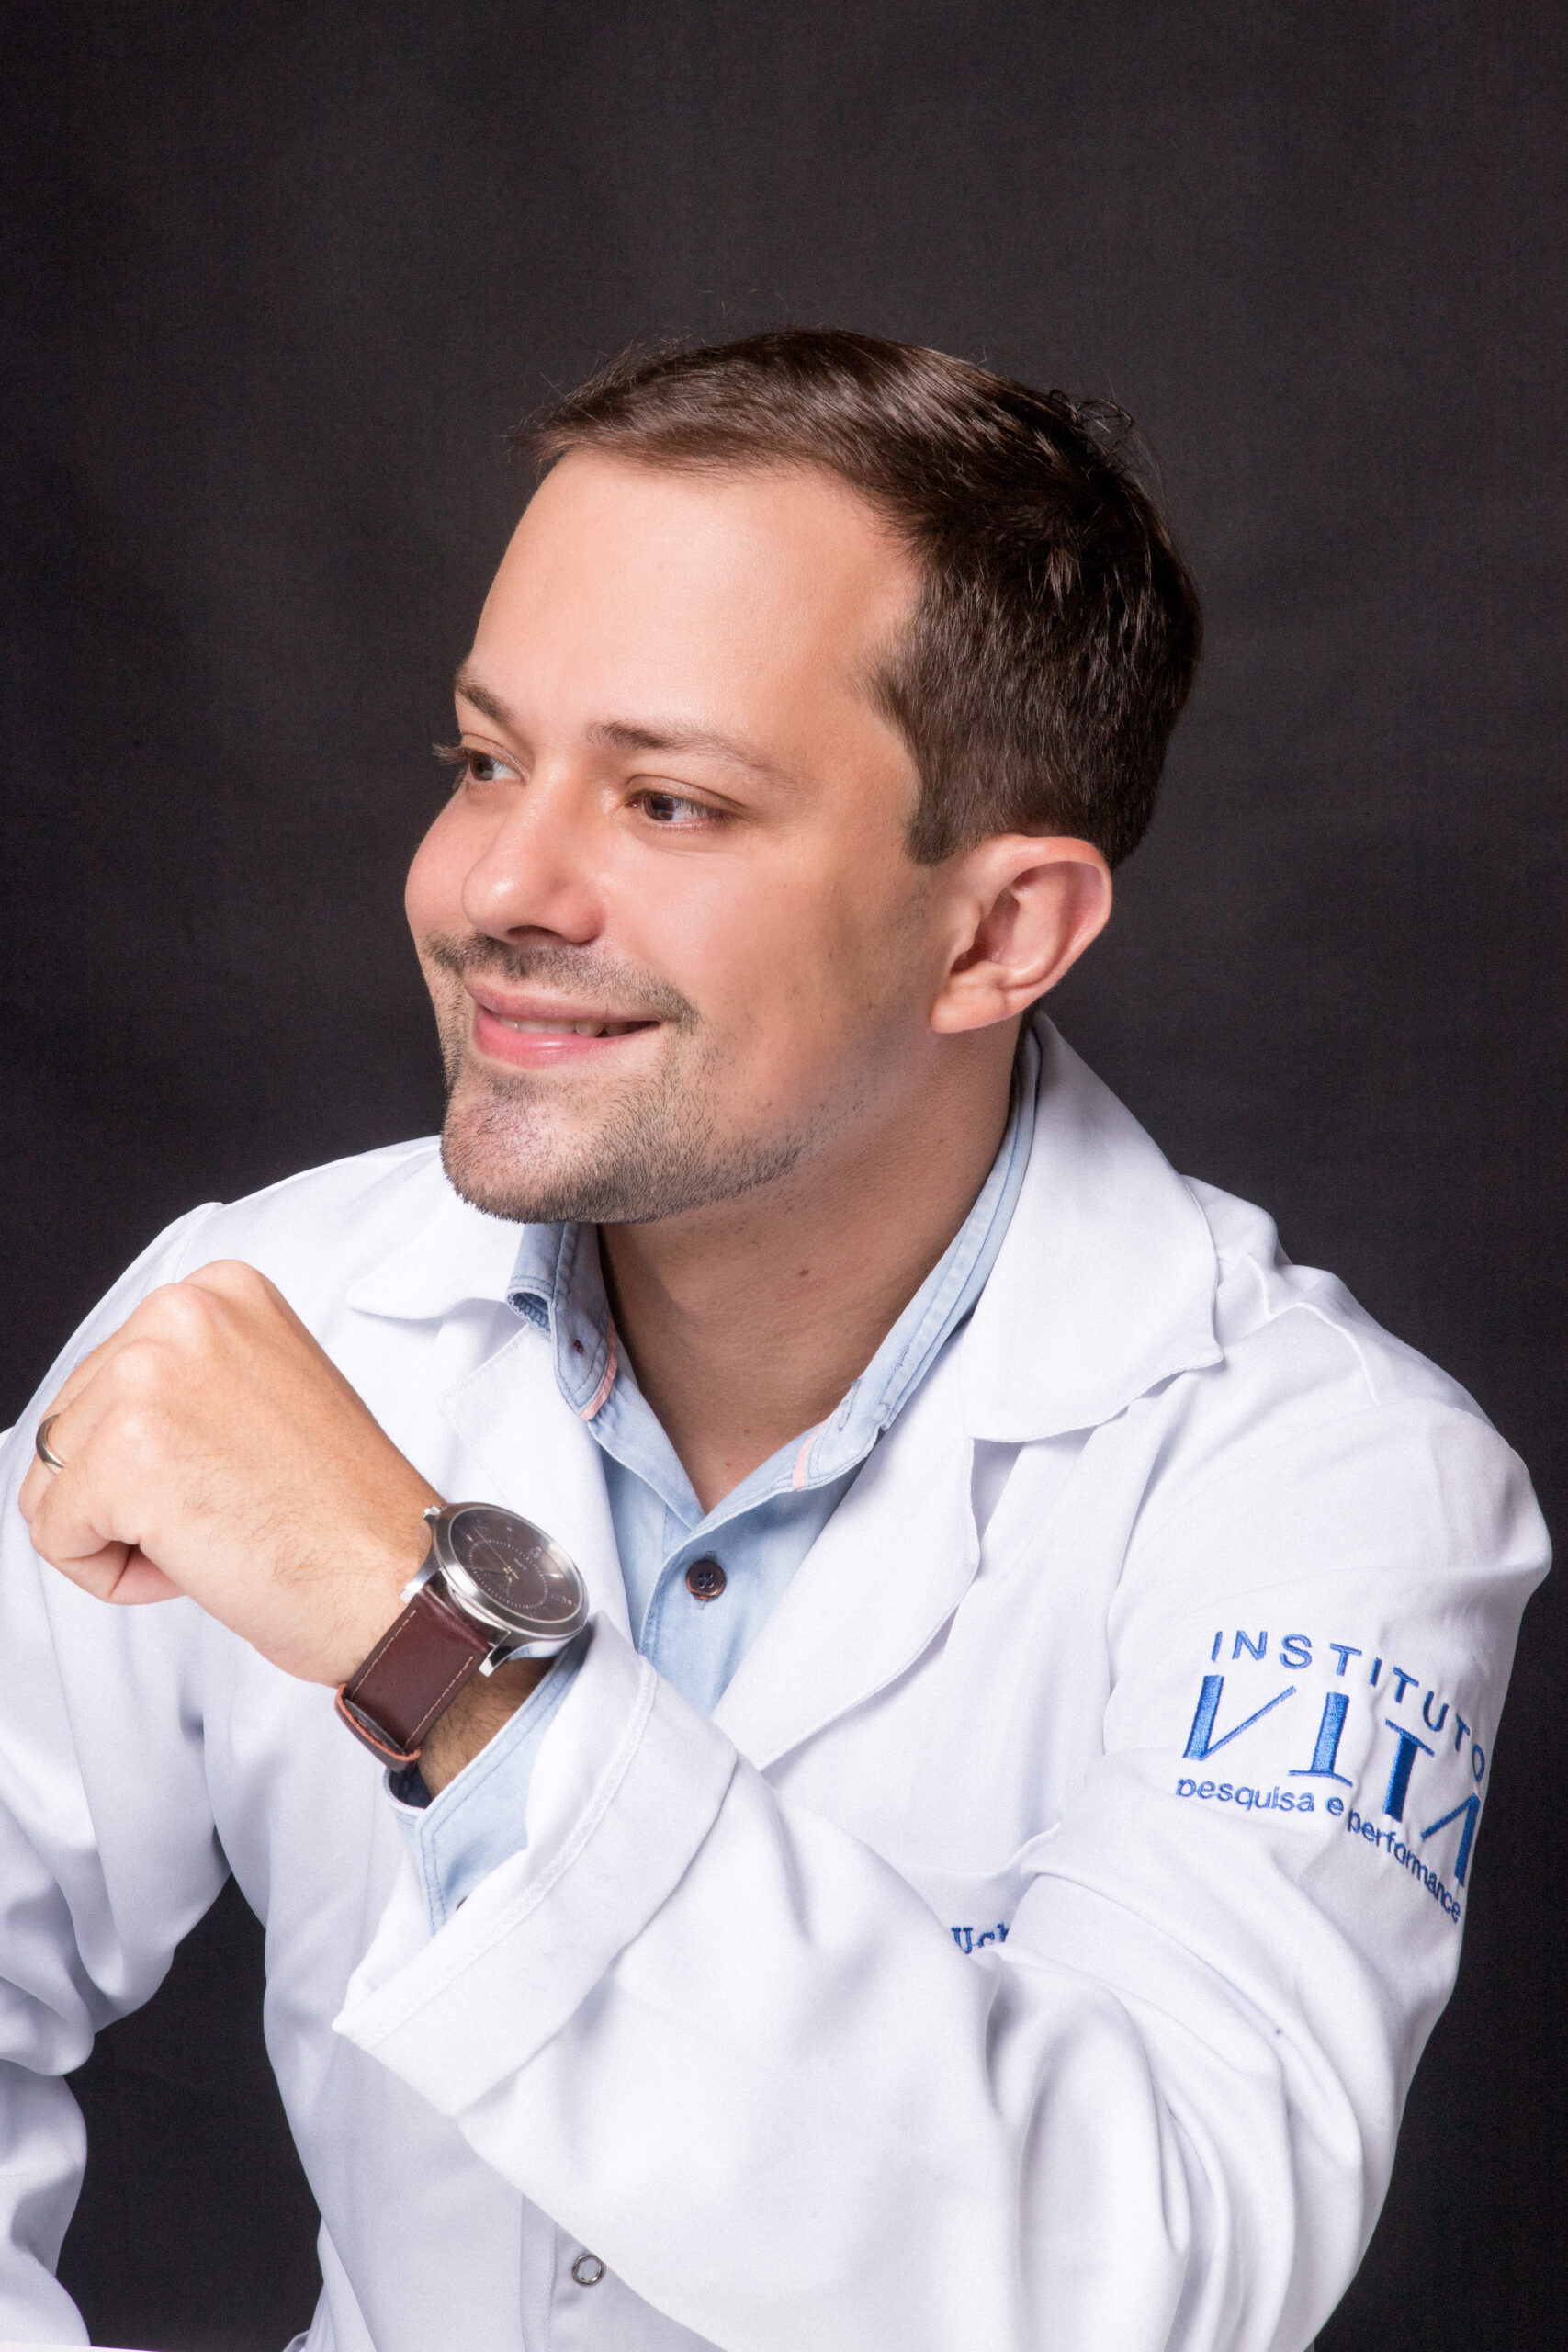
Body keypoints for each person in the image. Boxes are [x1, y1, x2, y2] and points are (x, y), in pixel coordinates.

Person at [3, 330, 1546, 2352]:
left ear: (996, 931)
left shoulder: (1328, 1481)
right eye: (484, 760)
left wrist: (430, 1639)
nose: (493, 885)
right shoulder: (260, 1311)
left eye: (669, 800)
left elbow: (1135, 2279)